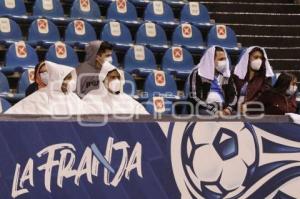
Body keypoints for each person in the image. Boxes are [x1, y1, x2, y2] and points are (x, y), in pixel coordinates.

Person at [5, 61, 89, 115]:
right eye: (43, 72)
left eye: (48, 72)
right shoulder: (34, 90)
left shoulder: (69, 95)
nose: (46, 75)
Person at [83, 61, 149, 115]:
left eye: (118, 77)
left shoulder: (128, 100)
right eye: (112, 77)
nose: (116, 80)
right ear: (103, 80)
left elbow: (145, 118)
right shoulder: (92, 99)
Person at [187, 46, 237, 115]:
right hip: (204, 108)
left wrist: (229, 109)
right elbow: (195, 97)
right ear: (211, 60)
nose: (224, 62)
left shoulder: (226, 75)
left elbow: (233, 95)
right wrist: (214, 110)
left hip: (223, 108)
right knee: (207, 115)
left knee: (238, 116)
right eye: (221, 59)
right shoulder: (198, 73)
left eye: (225, 59)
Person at [233, 46, 274, 111]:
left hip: (255, 110)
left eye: (261, 58)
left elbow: (263, 96)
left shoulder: (266, 76)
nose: (259, 60)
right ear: (248, 58)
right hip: (235, 110)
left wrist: (248, 106)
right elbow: (232, 93)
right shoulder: (237, 74)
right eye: (256, 57)